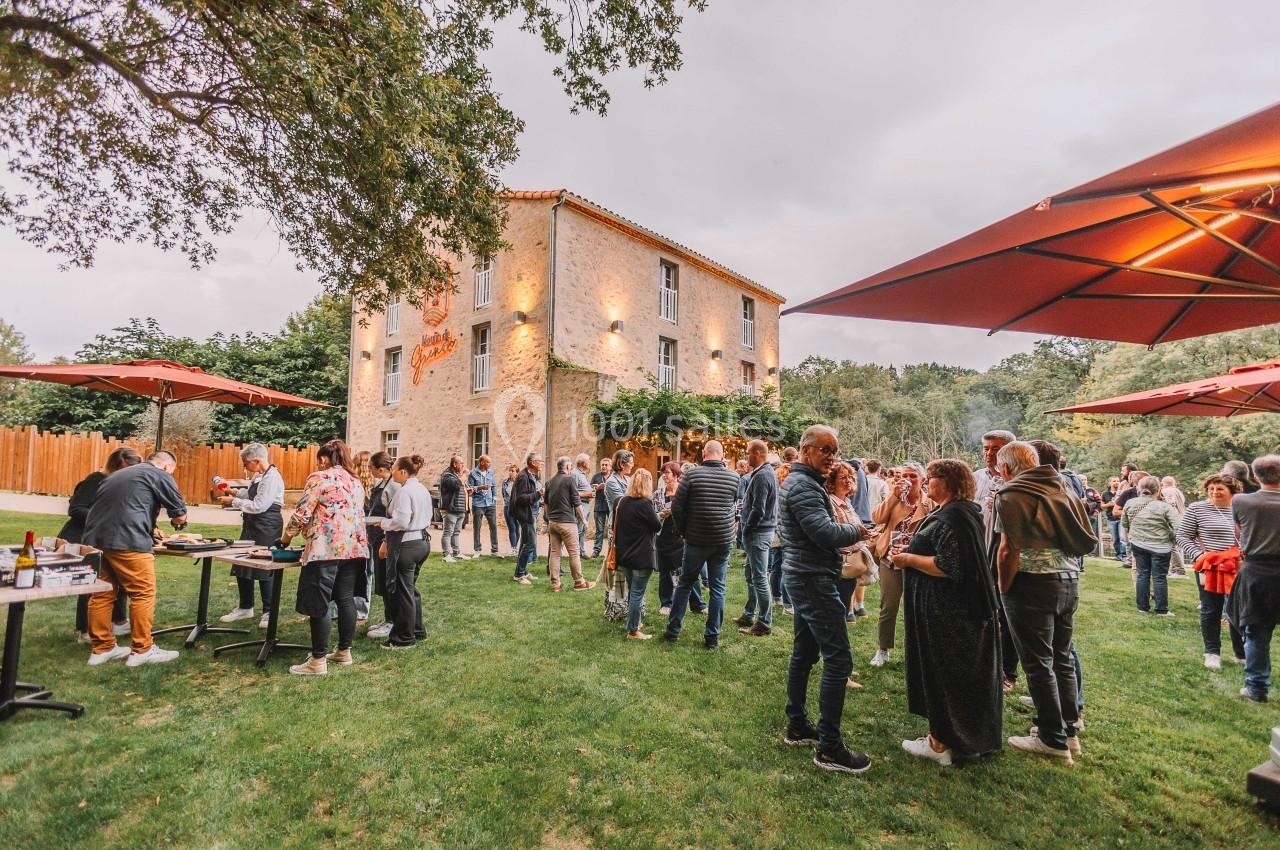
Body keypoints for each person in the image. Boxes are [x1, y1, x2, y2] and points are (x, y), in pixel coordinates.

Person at [892, 459, 1001, 765]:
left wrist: (908, 560)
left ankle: (940, 744)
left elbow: (947, 565)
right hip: (954, 608)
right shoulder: (962, 513)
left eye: (931, 478)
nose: (927, 483)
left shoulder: (954, 517)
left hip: (948, 611)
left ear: (948, 482)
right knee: (959, 674)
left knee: (945, 671)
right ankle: (962, 737)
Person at [993, 440, 1095, 763]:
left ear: (1006, 468)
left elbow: (1008, 548)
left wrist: (1003, 586)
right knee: (1062, 658)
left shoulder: (1011, 494)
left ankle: (1051, 738)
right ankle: (1069, 733)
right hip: (1068, 579)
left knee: (1038, 664)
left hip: (1031, 583)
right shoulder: (1061, 487)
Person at [778, 425, 870, 775]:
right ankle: (830, 748)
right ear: (805, 451)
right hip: (812, 579)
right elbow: (824, 532)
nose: (832, 456)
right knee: (838, 659)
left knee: (804, 653)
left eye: (835, 450)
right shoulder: (803, 485)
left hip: (806, 574)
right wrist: (858, 530)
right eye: (825, 450)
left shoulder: (808, 482)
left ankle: (798, 724)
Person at [83, 450, 188, 667]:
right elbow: (179, 514)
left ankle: (102, 648)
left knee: (102, 593)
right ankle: (142, 649)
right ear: (167, 467)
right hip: (128, 539)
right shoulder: (160, 475)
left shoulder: (115, 476)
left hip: (95, 539)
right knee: (142, 592)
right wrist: (179, 523)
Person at [281, 439, 369, 675]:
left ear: (324, 458)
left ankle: (318, 660)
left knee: (318, 603)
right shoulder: (355, 481)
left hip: (325, 548)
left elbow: (302, 512)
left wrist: (285, 539)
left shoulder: (319, 478)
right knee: (346, 599)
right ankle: (344, 651)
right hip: (354, 548)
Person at [663, 440, 740, 649]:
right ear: (722, 455)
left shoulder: (692, 475)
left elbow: (677, 507)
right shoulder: (734, 477)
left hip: (696, 539)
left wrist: (683, 530)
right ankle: (712, 636)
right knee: (718, 588)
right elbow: (733, 505)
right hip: (722, 539)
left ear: (704, 454)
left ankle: (673, 631)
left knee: (686, 582)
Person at [65, 446, 140, 643]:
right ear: (115, 465)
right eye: (125, 468)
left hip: (111, 538)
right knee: (92, 582)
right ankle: (86, 630)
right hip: (84, 537)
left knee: (119, 579)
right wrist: (106, 517)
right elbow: (76, 508)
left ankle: (117, 620)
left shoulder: (123, 485)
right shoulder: (95, 480)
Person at [869, 462, 934, 667]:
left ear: (922, 480)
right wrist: (893, 496)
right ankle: (883, 649)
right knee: (888, 606)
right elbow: (877, 517)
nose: (907, 480)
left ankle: (918, 650)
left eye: (913, 476)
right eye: (904, 476)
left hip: (918, 561)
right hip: (891, 559)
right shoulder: (895, 498)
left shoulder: (930, 502)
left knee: (919, 607)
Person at [1178, 474, 1246, 669]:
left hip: (1237, 567)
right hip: (1210, 567)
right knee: (1210, 609)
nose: (1215, 492)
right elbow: (1183, 536)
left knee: (1238, 609)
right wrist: (1199, 556)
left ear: (1232, 492)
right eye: (1211, 489)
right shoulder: (1197, 509)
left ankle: (1240, 653)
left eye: (1220, 489)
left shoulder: (1241, 509)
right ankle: (1212, 652)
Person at [1228, 455, 1280, 702]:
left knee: (1256, 630)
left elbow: (1239, 531)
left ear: (1255, 476)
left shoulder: (1241, 501)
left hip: (1257, 569)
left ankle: (1257, 687)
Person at [217, 443, 285, 630]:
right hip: (252, 523)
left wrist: (234, 501)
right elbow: (249, 494)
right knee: (241, 561)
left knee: (265, 564)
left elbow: (259, 505)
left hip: (267, 525)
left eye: (246, 464)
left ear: (256, 461)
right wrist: (233, 491)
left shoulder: (272, 477)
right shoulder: (259, 475)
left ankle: (269, 611)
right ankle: (246, 606)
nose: (244, 467)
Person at [377, 454, 432, 649]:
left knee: (402, 591)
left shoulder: (404, 492)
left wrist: (383, 523)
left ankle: (403, 637)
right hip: (422, 542)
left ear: (402, 472)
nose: (392, 474)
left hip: (407, 544)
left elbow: (401, 521)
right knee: (410, 589)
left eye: (394, 470)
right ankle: (417, 629)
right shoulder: (422, 489)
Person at [613, 469, 663, 639]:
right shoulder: (645, 504)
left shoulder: (623, 502)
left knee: (633, 591)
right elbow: (657, 526)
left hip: (625, 555)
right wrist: (659, 515)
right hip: (642, 556)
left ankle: (635, 621)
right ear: (647, 484)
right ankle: (633, 630)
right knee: (636, 593)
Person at [736, 439, 778, 637]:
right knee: (750, 575)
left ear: (759, 453)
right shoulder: (763, 473)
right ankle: (749, 614)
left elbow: (758, 509)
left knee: (760, 578)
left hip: (758, 532)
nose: (746, 456)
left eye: (748, 452)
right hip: (759, 532)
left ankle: (764, 623)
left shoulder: (763, 475)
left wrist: (746, 528)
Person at [1122, 476, 1180, 616]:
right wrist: (1171, 538)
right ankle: (1161, 609)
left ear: (1139, 488)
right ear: (1158, 489)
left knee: (1142, 574)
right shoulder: (1164, 506)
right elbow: (1178, 526)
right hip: (1161, 546)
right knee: (1159, 577)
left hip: (1138, 543)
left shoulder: (1130, 503)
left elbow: (1125, 523)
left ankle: (1142, 607)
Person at [654, 461, 703, 615]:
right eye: (663, 473)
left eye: (667, 473)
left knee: (688, 572)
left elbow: (691, 514)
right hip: (663, 537)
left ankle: (698, 604)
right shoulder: (658, 494)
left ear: (676, 475)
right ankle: (666, 603)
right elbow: (653, 515)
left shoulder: (684, 493)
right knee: (665, 572)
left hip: (681, 537)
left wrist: (675, 512)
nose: (664, 476)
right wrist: (662, 514)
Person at [363, 451, 400, 640]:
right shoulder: (381, 484)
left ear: (381, 469)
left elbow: (394, 517)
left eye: (371, 468)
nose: (369, 470)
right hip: (376, 538)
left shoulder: (392, 486)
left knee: (389, 581)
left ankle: (392, 621)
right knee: (382, 580)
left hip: (385, 540)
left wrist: (385, 541)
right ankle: (388, 617)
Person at [545, 456, 593, 591]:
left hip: (553, 523)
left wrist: (548, 520)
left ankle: (555, 584)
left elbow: (546, 505)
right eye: (570, 467)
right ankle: (579, 582)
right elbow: (577, 503)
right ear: (566, 467)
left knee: (555, 553)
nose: (571, 469)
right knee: (574, 552)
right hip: (567, 523)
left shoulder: (549, 482)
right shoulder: (570, 480)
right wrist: (583, 520)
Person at [825, 462, 862, 631]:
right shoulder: (830, 503)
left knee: (843, 604)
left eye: (850, 477)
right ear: (832, 482)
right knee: (835, 608)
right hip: (838, 562)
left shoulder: (846, 501)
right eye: (843, 477)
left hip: (850, 563)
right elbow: (833, 531)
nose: (848, 481)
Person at [509, 452, 544, 585]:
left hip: (530, 512)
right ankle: (519, 574)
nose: (542, 463)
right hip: (525, 515)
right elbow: (520, 499)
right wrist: (538, 494)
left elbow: (527, 496)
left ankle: (522, 571)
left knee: (525, 544)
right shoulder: (523, 477)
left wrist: (538, 501)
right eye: (540, 461)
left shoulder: (531, 475)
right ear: (533, 463)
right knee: (530, 543)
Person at [467, 454, 499, 557]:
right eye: (488, 462)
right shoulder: (472, 473)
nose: (490, 464)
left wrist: (494, 498)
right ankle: (477, 550)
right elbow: (469, 489)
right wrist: (480, 487)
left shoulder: (490, 472)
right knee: (477, 527)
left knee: (493, 526)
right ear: (482, 462)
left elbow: (494, 486)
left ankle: (495, 550)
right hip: (478, 504)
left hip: (490, 504)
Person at [439, 455, 469, 563]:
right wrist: (465, 474)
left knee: (456, 532)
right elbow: (457, 485)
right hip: (450, 509)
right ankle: (446, 555)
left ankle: (456, 553)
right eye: (461, 463)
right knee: (448, 532)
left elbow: (461, 487)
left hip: (459, 508)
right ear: (455, 464)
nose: (463, 465)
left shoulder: (456, 474)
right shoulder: (447, 475)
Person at [590, 458, 613, 557]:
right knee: (599, 530)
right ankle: (596, 551)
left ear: (610, 467)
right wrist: (598, 487)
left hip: (611, 507)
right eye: (602, 465)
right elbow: (590, 490)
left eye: (606, 465)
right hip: (599, 507)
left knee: (612, 528)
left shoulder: (613, 477)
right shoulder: (596, 477)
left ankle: (611, 550)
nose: (603, 466)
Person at [1100, 476, 1127, 561]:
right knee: (1115, 539)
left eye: (1118, 481)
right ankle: (1118, 555)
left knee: (1122, 538)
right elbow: (1102, 506)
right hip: (1111, 519)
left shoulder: (1122, 493)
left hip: (1121, 518)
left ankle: (1124, 555)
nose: (1116, 483)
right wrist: (1111, 504)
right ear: (1110, 483)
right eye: (1114, 481)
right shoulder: (1105, 493)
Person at [572, 454, 595, 555]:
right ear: (583, 463)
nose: (589, 463)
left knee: (582, 530)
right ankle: (575, 553)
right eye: (588, 461)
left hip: (585, 504)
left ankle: (581, 552)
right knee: (577, 530)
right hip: (579, 505)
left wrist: (592, 488)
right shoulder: (575, 474)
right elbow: (572, 492)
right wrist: (588, 493)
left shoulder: (582, 474)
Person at [501, 464, 520, 553]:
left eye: (512, 471)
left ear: (517, 473)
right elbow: (504, 494)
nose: (510, 472)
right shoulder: (505, 482)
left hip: (517, 507)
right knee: (511, 527)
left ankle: (515, 547)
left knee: (517, 527)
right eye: (509, 470)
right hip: (508, 506)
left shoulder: (520, 482)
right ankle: (513, 547)